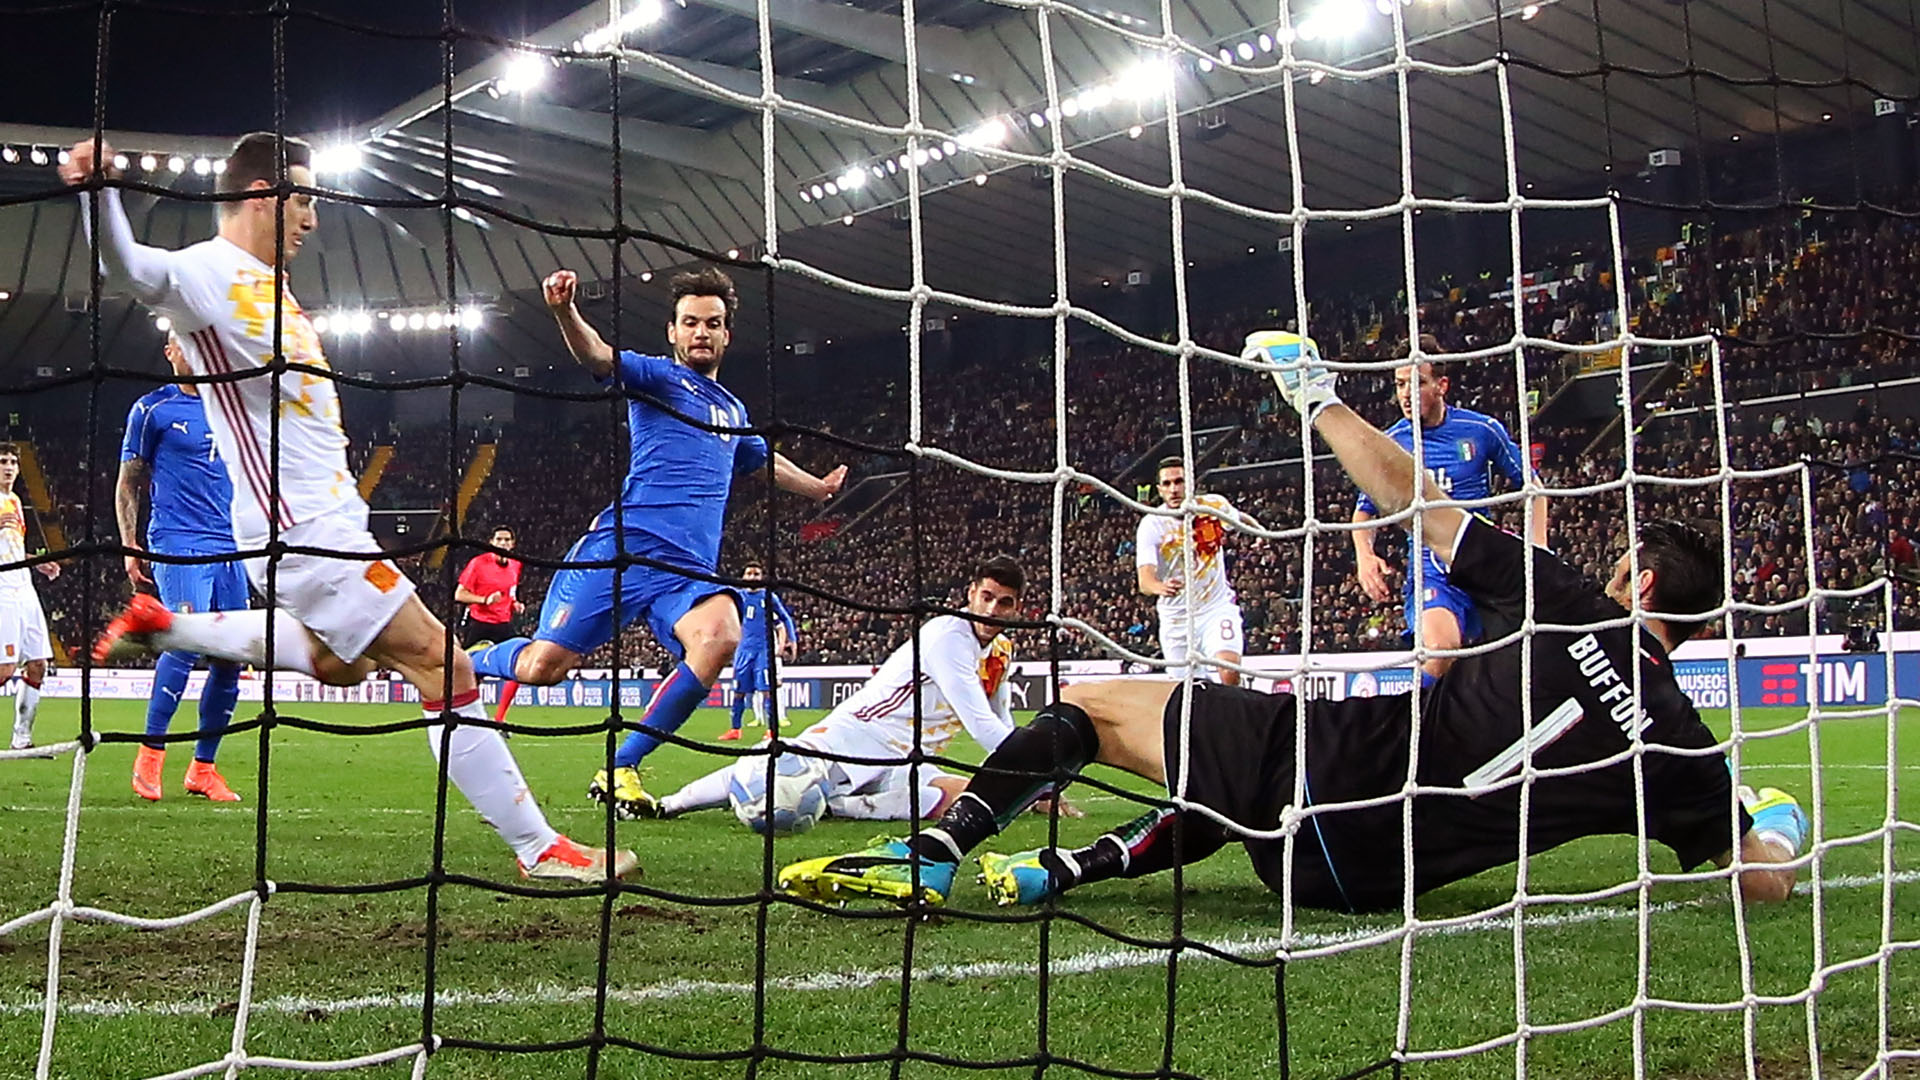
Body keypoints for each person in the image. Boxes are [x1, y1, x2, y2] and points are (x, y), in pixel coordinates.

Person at [775, 331, 1805, 912]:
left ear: (1644, 588)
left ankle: (941, 852)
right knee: (1218, 768)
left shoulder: (1568, 601)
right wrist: (1772, 820)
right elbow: (1764, 884)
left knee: (1094, 704)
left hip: (1324, 774)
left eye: (1621, 564)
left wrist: (1312, 394)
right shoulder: (1681, 748)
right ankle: (1061, 869)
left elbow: (1409, 494)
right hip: (1357, 882)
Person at [72, 133, 634, 883]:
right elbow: (130, 267)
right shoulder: (207, 274)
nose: (310, 218)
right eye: (301, 199)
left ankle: (169, 628)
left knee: (342, 665)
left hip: (325, 520)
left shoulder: (271, 287)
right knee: (445, 661)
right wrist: (99, 194)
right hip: (298, 529)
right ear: (259, 194)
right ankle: (542, 848)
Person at [467, 266, 846, 819]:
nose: (700, 332)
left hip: (686, 570)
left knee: (720, 637)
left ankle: (620, 765)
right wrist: (564, 311)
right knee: (541, 668)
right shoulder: (658, 380)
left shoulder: (733, 411)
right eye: (690, 322)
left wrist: (816, 488)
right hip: (621, 551)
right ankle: (479, 657)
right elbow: (598, 356)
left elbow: (760, 461)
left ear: (725, 336)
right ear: (672, 331)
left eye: (711, 324)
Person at [655, 556, 1072, 825]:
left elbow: (1001, 720)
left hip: (908, 755)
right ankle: (671, 802)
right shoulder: (949, 637)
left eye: (1004, 603)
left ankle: (840, 806)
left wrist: (1028, 789)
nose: (992, 610)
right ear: (970, 595)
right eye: (986, 597)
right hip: (861, 735)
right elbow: (982, 726)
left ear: (1018, 608)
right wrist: (1042, 780)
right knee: (775, 770)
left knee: (970, 801)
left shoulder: (1001, 649)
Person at [1351, 337, 1547, 679]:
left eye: (1418, 383)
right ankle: (1419, 725)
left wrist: (1538, 550)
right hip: (1430, 569)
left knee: (1512, 666)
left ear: (1442, 385)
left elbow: (1534, 490)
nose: (1406, 394)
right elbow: (1364, 511)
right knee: (1440, 650)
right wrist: (1365, 556)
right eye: (1400, 384)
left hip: (1485, 566)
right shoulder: (1391, 443)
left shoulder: (1481, 430)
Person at [114, 336, 247, 801]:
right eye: (182, 344)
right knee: (186, 640)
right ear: (169, 351)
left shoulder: (233, 406)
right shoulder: (152, 409)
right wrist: (130, 544)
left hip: (232, 544)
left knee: (233, 654)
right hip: (178, 540)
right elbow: (129, 481)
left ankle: (203, 770)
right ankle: (150, 757)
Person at [1135, 457, 1261, 685]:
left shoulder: (1213, 506)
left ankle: (1235, 717)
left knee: (1229, 671)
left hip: (1215, 608)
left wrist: (1260, 532)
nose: (1173, 489)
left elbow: (1238, 516)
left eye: (1179, 481)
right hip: (1176, 619)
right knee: (1188, 691)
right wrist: (1159, 587)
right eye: (1167, 484)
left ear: (1191, 483)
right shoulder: (1152, 524)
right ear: (1159, 490)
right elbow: (1145, 581)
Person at [0, 445, 60, 751]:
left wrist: (37, 563)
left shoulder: (15, 501)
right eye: (2, 462)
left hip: (25, 589)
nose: (8, 467)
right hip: (2, 590)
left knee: (38, 664)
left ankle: (21, 737)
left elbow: (11, 546)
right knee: (5, 669)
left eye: (12, 462)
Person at [454, 524, 525, 725]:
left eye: (506, 540)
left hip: (503, 623)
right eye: (499, 540)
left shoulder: (515, 564)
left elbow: (510, 592)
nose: (502, 543)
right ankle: (467, 716)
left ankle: (500, 719)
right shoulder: (478, 564)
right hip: (479, 623)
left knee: (518, 667)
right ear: (491, 543)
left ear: (512, 544)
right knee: (470, 674)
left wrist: (515, 604)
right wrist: (485, 600)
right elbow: (459, 594)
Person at [718, 560, 794, 741]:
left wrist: (792, 640)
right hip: (743, 652)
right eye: (749, 573)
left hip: (763, 652)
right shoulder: (737, 597)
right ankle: (735, 730)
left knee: (767, 691)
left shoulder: (768, 597)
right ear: (743, 577)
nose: (752, 577)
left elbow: (784, 619)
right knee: (738, 692)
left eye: (756, 574)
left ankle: (771, 731)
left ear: (762, 577)